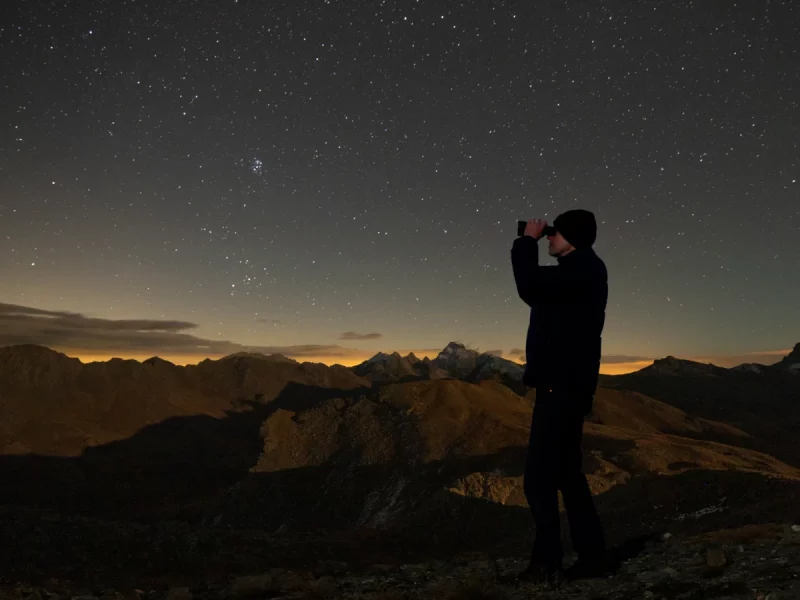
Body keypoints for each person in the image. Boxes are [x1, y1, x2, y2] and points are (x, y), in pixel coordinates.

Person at [510, 209, 610, 584]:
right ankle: (592, 558)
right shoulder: (583, 269)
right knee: (567, 474)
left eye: (556, 233)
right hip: (569, 385)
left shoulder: (583, 269)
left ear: (574, 238)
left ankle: (546, 563)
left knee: (538, 478)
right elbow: (539, 288)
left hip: (562, 387)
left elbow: (530, 287)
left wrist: (526, 241)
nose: (549, 237)